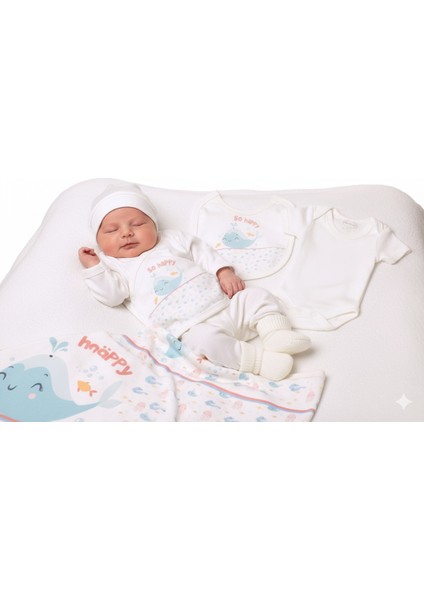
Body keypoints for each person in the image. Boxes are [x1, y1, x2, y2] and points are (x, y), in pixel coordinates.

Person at [79, 183, 311, 380]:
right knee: (204, 343)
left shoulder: (172, 239)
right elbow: (113, 296)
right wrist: (94, 267)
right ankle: (258, 362)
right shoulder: (113, 265)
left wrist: (223, 272)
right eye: (112, 230)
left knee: (256, 296)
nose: (126, 233)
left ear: (154, 225)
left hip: (227, 304)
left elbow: (203, 253)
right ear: (98, 241)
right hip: (191, 326)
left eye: (137, 224)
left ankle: (276, 334)